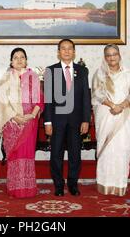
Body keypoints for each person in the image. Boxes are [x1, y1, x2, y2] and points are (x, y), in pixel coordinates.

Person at [92, 44, 130, 196]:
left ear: (119, 55)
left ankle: (120, 184)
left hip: (124, 116)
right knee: (106, 149)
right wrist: (113, 105)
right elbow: (97, 95)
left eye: (114, 54)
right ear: (105, 57)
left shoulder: (129, 74)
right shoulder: (99, 74)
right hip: (105, 114)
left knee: (122, 149)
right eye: (108, 55)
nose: (112, 57)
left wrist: (121, 106)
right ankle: (104, 184)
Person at [43, 39, 91, 197]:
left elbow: (86, 97)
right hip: (57, 121)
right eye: (63, 49)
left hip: (76, 121)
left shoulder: (82, 71)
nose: (67, 51)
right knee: (56, 154)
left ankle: (72, 184)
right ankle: (58, 185)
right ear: (58, 52)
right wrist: (48, 121)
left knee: (75, 154)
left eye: (70, 48)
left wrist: (86, 120)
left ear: (74, 52)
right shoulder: (51, 70)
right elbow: (48, 99)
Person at [0, 48, 43, 198]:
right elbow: (2, 102)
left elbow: (39, 100)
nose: (19, 60)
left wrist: (31, 115)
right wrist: (15, 117)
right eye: (15, 57)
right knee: (15, 155)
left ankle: (28, 188)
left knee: (27, 154)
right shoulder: (5, 78)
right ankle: (15, 188)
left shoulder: (33, 77)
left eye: (22, 57)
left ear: (26, 60)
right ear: (11, 61)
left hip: (30, 123)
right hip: (12, 123)